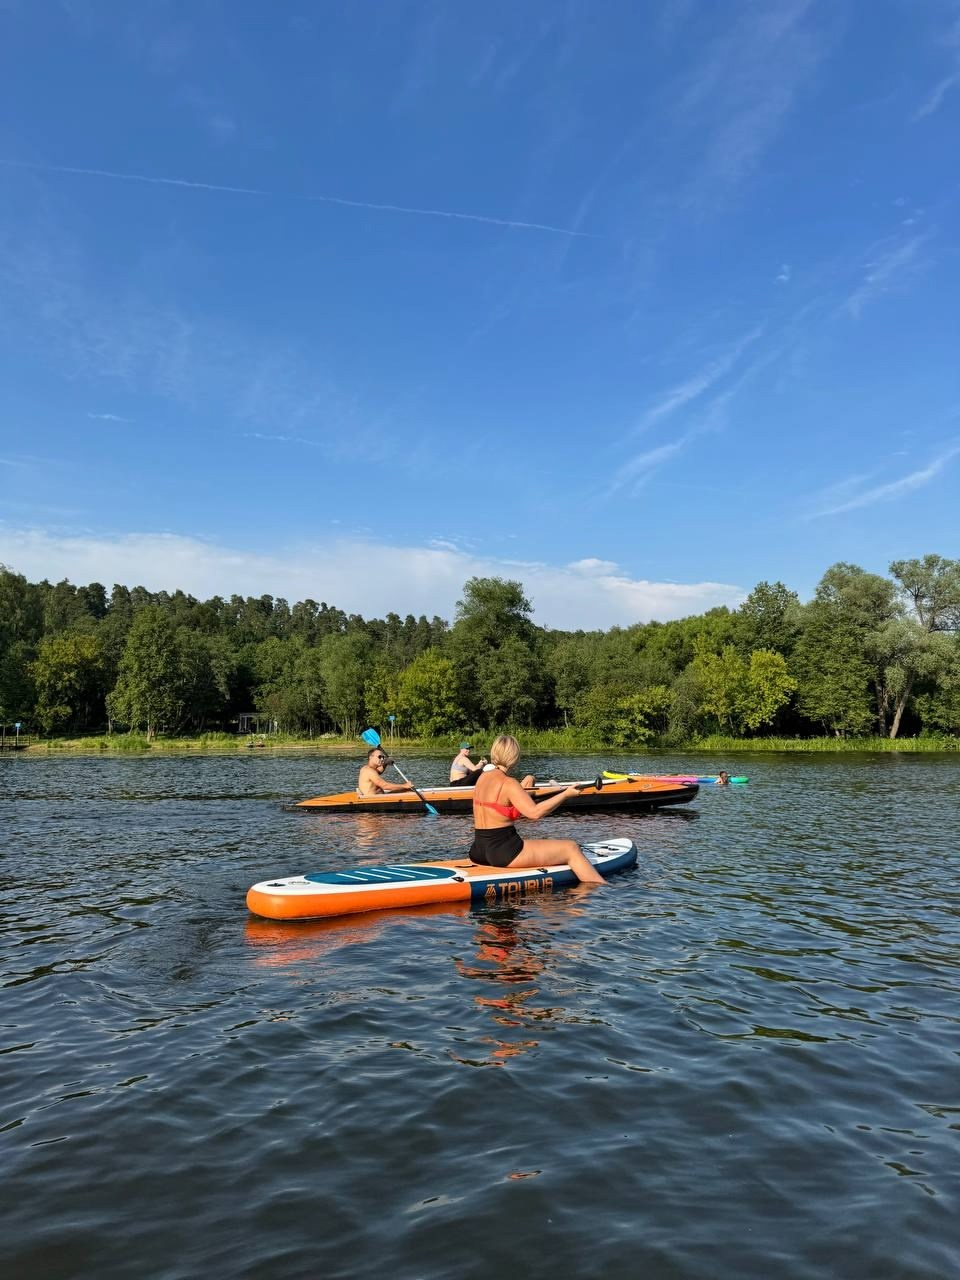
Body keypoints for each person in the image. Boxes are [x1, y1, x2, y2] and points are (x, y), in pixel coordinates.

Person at [467, 734, 604, 884]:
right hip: (503, 853)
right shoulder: (509, 783)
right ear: (515, 757)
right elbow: (535, 813)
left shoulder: (482, 778)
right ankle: (604, 892)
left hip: (478, 851)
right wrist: (566, 794)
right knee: (571, 848)